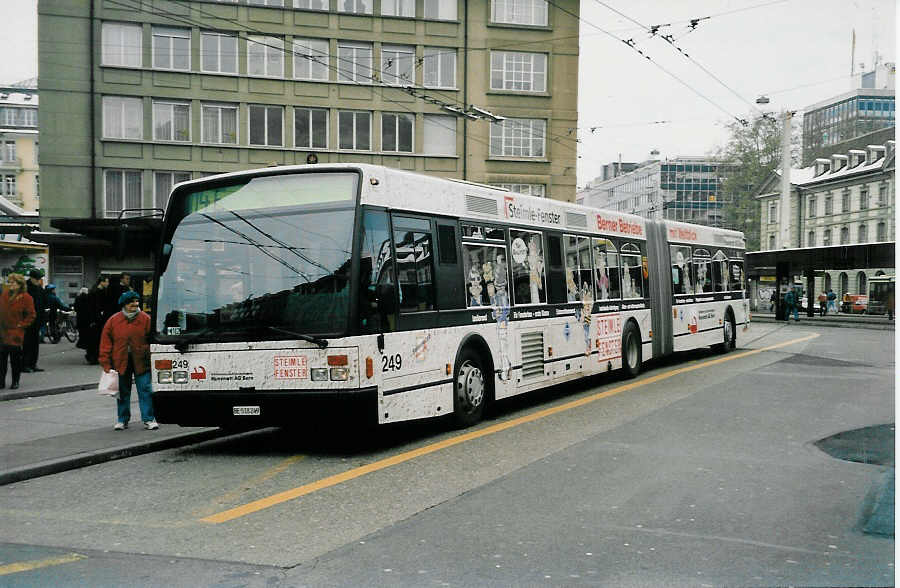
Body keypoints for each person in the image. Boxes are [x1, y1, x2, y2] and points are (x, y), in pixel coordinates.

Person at [99, 290, 158, 431]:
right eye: (131, 302)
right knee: (122, 392)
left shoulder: (146, 319)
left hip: (141, 361)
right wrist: (105, 363)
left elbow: (153, 340)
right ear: (124, 304)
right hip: (120, 361)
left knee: (145, 390)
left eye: (137, 302)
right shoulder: (113, 320)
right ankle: (122, 420)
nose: (135, 304)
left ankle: (149, 419)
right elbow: (105, 343)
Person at [0, 274, 35, 390]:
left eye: (13, 283)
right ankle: (1, 381)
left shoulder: (26, 297)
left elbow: (31, 315)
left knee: (15, 359)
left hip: (15, 332)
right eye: (9, 282)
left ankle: (15, 381)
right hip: (2, 331)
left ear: (20, 285)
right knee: (1, 359)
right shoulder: (4, 295)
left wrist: (21, 325)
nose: (10, 284)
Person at [22, 269, 47, 372]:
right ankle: (24, 365)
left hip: (37, 320)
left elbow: (43, 302)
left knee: (35, 344)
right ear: (31, 278)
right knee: (27, 344)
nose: (39, 281)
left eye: (40, 279)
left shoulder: (39, 288)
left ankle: (33, 363)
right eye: (37, 279)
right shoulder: (25, 288)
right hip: (27, 321)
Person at [84, 276, 111, 365]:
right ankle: (93, 357)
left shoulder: (96, 291)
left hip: (96, 319)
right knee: (95, 339)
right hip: (96, 319)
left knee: (95, 339)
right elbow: (94, 307)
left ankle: (93, 356)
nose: (108, 284)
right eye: (106, 282)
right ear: (101, 282)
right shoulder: (96, 292)